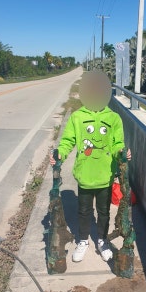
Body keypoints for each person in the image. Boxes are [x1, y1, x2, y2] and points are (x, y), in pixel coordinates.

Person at [50, 70, 131, 262]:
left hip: (105, 175)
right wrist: (60, 153)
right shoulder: (77, 117)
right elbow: (68, 141)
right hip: (85, 175)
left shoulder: (113, 118)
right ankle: (83, 240)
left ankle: (102, 240)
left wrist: (122, 152)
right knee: (84, 211)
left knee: (103, 211)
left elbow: (117, 143)